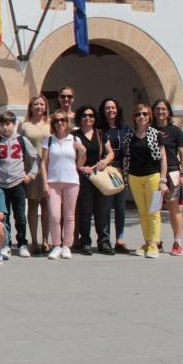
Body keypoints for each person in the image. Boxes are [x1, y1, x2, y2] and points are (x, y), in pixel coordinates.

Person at [122, 104, 168, 258]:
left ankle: (155, 244)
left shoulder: (156, 134)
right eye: (138, 114)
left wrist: (163, 179)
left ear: (149, 117)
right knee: (142, 212)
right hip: (135, 178)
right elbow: (126, 157)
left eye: (145, 114)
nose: (141, 117)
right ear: (134, 118)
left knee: (153, 211)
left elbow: (163, 159)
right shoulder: (129, 136)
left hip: (153, 177)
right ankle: (147, 242)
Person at [42, 109, 86, 260]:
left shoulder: (74, 140)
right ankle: (56, 245)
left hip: (71, 181)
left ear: (67, 123)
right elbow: (43, 163)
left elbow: (79, 164)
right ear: (53, 123)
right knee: (54, 215)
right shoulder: (49, 140)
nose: (60, 123)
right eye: (56, 120)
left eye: (63, 120)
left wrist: (83, 152)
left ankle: (67, 245)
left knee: (69, 215)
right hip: (53, 182)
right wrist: (44, 183)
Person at [73, 105, 115, 255]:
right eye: (84, 115)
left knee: (103, 210)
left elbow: (110, 153)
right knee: (85, 210)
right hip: (83, 176)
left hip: (100, 175)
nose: (88, 118)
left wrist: (105, 161)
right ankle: (85, 242)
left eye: (91, 115)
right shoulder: (74, 135)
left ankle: (104, 242)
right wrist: (80, 167)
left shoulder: (100, 133)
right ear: (80, 117)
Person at [0, 111, 38, 258]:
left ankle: (22, 243)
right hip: (0, 184)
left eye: (8, 124)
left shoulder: (22, 140)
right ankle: (6, 244)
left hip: (18, 182)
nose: (5, 127)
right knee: (4, 216)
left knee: (20, 216)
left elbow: (36, 158)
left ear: (14, 124)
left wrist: (31, 175)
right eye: (2, 124)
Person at [153, 99, 183, 256]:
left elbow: (182, 153)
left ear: (168, 112)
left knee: (173, 208)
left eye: (163, 109)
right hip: (153, 174)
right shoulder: (150, 130)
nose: (160, 112)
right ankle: (156, 241)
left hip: (173, 173)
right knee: (154, 209)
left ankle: (177, 242)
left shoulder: (176, 131)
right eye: (158, 109)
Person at [100, 98, 133, 253]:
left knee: (120, 207)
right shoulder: (100, 129)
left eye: (113, 107)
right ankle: (105, 240)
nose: (110, 110)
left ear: (117, 109)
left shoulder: (126, 128)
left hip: (122, 171)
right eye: (107, 108)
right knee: (105, 207)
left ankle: (120, 240)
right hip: (106, 171)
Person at [20, 94, 51, 254]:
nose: (39, 107)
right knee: (32, 204)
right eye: (36, 104)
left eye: (42, 104)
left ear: (45, 107)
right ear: (31, 107)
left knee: (46, 206)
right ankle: (34, 240)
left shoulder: (51, 124)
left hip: (48, 168)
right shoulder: (24, 125)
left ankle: (46, 240)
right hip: (31, 169)